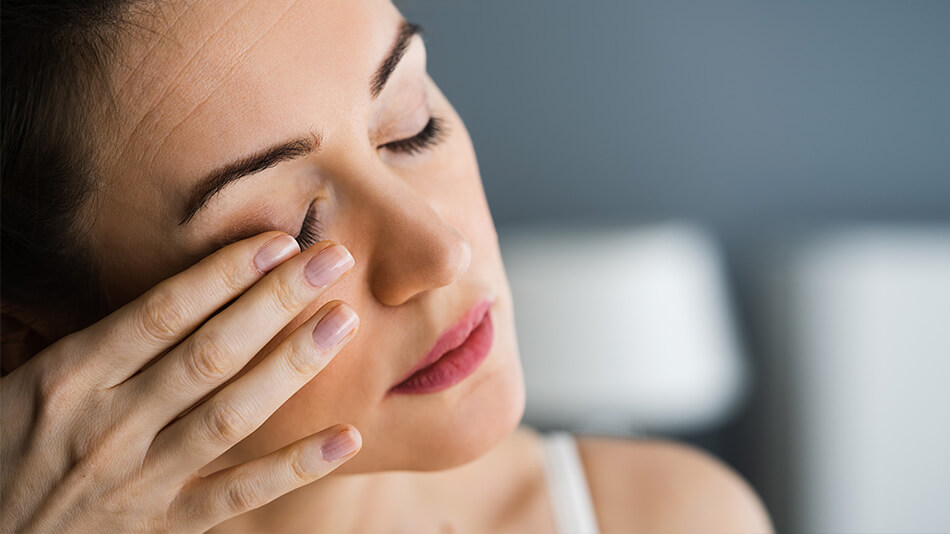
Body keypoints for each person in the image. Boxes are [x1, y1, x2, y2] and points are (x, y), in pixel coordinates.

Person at [0, 1, 773, 532]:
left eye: (411, 124)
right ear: (34, 345)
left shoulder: (670, 515)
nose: (441, 253)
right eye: (295, 237)